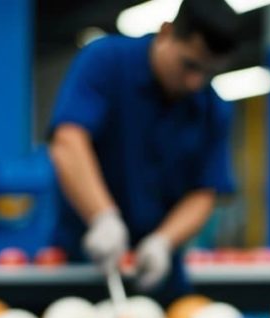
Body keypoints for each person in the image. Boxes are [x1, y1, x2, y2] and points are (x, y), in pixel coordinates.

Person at [48, 0, 240, 297]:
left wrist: (163, 241)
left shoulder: (213, 107)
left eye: (208, 73)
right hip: (84, 262)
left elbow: (204, 192)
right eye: (189, 64)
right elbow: (68, 141)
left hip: (158, 271)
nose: (195, 82)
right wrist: (103, 217)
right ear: (166, 32)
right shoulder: (106, 61)